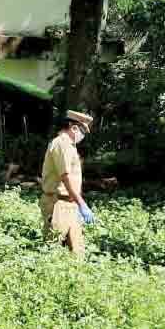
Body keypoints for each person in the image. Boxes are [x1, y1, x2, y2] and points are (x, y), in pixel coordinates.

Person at [40, 110, 95, 257]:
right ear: (74, 127)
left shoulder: (70, 145)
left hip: (70, 204)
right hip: (58, 204)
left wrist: (77, 203)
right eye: (83, 131)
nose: (83, 136)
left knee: (77, 252)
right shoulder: (61, 144)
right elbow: (65, 176)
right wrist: (82, 203)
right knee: (52, 250)